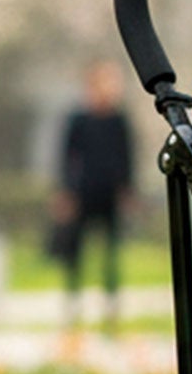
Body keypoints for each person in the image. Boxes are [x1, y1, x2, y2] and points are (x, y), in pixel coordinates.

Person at [53, 60, 134, 327]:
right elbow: (66, 158)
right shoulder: (78, 120)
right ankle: (72, 302)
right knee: (75, 252)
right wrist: (65, 193)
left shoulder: (119, 120)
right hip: (82, 193)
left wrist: (127, 191)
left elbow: (127, 158)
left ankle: (111, 305)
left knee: (110, 252)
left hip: (109, 194)